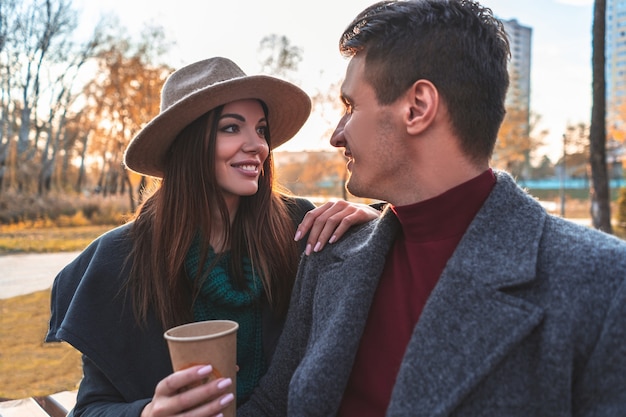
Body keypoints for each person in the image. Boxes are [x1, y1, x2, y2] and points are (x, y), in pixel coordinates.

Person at [225, 1, 626, 416]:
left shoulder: (605, 284)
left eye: (350, 106)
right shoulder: (328, 254)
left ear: (417, 107)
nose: (336, 135)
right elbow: (274, 407)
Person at [45, 56, 380, 417]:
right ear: (188, 143)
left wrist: (374, 220)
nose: (258, 146)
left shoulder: (300, 227)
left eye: (261, 129)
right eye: (232, 128)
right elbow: (91, 409)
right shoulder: (121, 259)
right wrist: (149, 413)